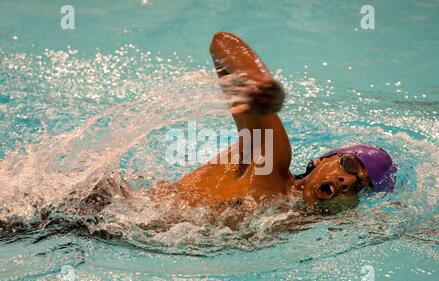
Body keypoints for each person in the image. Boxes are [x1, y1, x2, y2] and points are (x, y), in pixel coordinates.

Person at [79, 32, 397, 217]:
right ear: (322, 161)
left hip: (110, 231)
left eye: (360, 185)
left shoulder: (295, 217)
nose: (346, 181)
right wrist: (258, 86)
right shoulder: (271, 164)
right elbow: (222, 45)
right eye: (349, 164)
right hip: (99, 210)